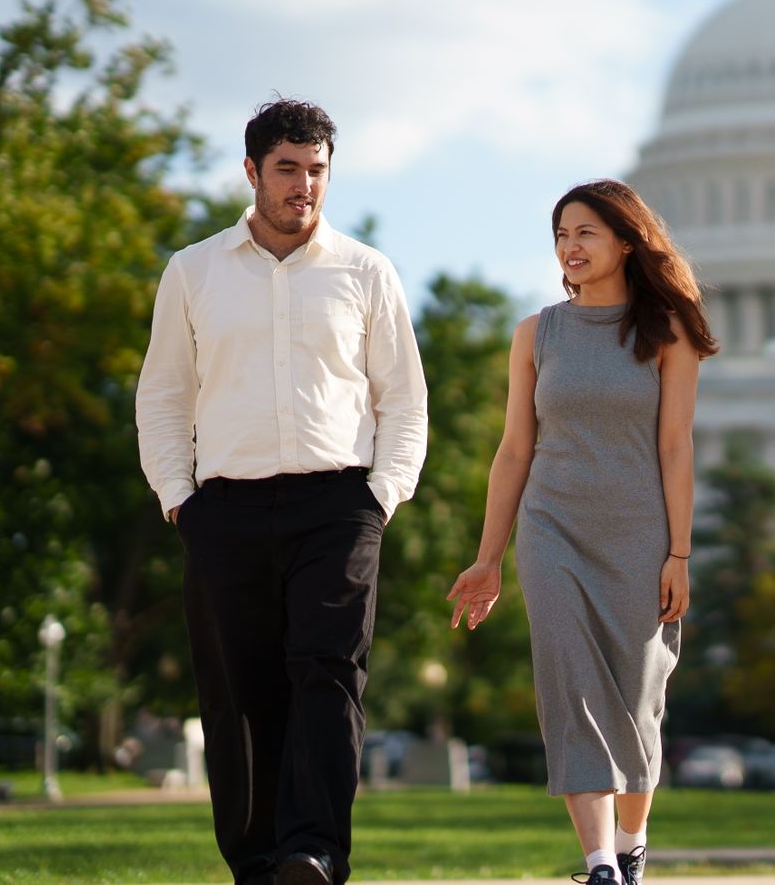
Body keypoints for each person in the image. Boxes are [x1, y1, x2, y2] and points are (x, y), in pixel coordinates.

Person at [136, 97, 429, 885]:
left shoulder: (367, 272)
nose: (304, 186)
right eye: (289, 170)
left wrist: (380, 499)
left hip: (337, 506)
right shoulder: (192, 271)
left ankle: (315, 852)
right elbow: (163, 395)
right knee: (238, 692)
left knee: (328, 675)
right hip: (221, 510)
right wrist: (179, 499)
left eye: (318, 171)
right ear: (253, 172)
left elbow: (403, 399)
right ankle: (256, 862)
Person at [447, 179, 715, 885]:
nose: (569, 246)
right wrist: (488, 559)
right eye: (561, 234)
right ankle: (598, 865)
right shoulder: (537, 333)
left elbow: (676, 449)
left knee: (636, 697)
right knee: (570, 689)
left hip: (641, 536)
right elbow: (513, 450)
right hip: (551, 529)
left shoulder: (670, 332)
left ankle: (630, 845)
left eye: (585, 232)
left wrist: (679, 553)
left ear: (626, 241)